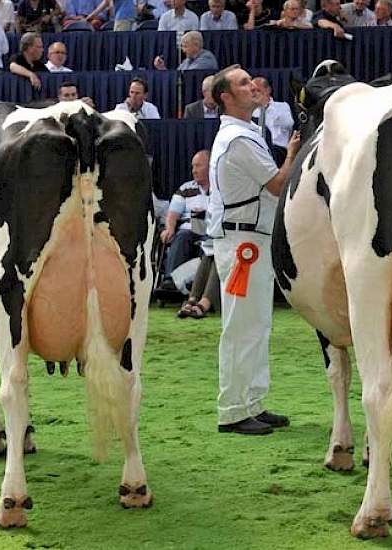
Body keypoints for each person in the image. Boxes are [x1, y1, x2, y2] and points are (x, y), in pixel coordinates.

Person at [207, 65, 301, 436]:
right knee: (241, 327)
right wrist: (292, 152)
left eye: (253, 81)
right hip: (242, 240)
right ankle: (232, 409)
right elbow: (278, 184)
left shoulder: (244, 133)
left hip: (251, 237)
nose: (254, 86)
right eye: (243, 83)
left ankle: (252, 402)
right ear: (225, 98)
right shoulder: (238, 139)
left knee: (256, 324)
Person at [160, 150, 212, 290]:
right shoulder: (185, 188)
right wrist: (169, 228)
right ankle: (170, 281)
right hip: (188, 229)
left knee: (208, 243)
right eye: (193, 166)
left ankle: (196, 285)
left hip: (211, 230)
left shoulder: (219, 189)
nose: (194, 171)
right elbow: (172, 213)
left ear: (210, 166)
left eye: (198, 166)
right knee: (182, 236)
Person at [251, 75, 294, 165]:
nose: (255, 94)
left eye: (258, 90)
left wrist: (264, 107)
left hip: (278, 150)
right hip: (257, 150)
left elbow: (289, 124)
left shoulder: (282, 106)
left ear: (268, 90)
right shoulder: (250, 111)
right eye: (253, 91)